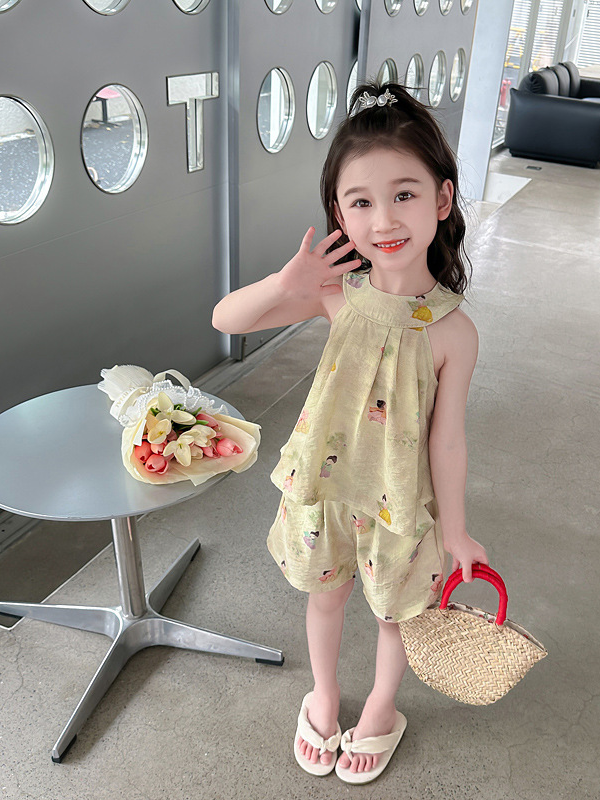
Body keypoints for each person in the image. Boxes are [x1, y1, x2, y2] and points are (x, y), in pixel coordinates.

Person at [211, 81, 489, 784]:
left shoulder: (454, 332)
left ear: (442, 200)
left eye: (404, 194)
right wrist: (286, 283)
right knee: (326, 596)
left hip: (401, 503)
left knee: (396, 614)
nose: (383, 219)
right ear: (339, 213)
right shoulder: (336, 294)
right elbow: (226, 320)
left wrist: (456, 531)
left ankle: (382, 709)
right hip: (326, 490)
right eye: (360, 202)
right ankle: (325, 694)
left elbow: (448, 440)